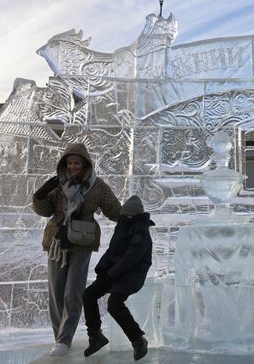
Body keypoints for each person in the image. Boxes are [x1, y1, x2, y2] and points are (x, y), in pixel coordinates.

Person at [32, 143, 121, 357]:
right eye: (70, 162)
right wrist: (41, 194)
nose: (73, 166)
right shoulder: (58, 184)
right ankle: (59, 339)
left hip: (82, 241)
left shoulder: (97, 186)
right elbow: (44, 211)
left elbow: (114, 210)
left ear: (85, 164)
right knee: (56, 293)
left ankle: (64, 340)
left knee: (73, 292)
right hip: (56, 242)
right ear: (65, 163)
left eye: (77, 163)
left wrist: (133, 215)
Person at [82, 195, 154, 361]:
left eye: (129, 216)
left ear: (135, 216)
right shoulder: (123, 225)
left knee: (114, 304)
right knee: (88, 295)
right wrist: (102, 269)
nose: (126, 218)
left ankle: (138, 340)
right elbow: (112, 251)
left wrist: (110, 275)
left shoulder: (141, 230)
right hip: (114, 272)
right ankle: (95, 336)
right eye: (125, 215)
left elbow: (131, 257)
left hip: (132, 274)